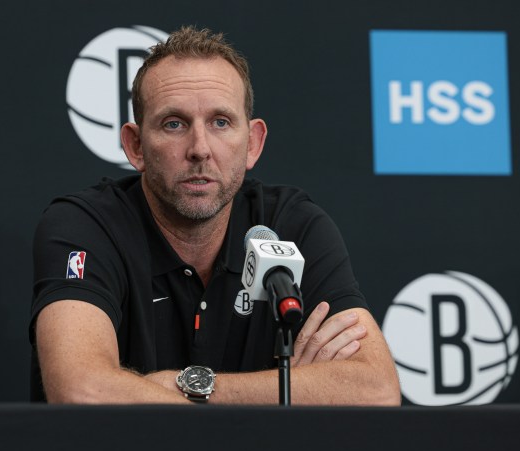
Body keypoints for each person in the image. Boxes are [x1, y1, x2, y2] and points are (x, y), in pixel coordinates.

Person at [29, 26, 400, 405]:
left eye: (220, 122)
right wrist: (292, 388)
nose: (200, 149)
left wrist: (187, 386)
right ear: (135, 146)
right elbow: (81, 390)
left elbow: (376, 389)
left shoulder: (293, 225)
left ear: (253, 143)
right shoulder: (85, 226)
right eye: (174, 124)